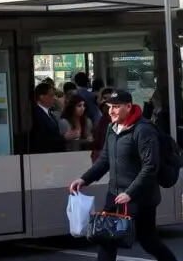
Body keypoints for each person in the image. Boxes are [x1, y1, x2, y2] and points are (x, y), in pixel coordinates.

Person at [68, 89, 177, 261]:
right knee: (107, 240)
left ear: (128, 106)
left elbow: (150, 167)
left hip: (141, 197)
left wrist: (130, 193)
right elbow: (105, 160)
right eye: (109, 107)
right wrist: (84, 179)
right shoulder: (112, 128)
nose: (111, 111)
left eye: (116, 107)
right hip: (115, 194)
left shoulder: (143, 130)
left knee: (148, 241)